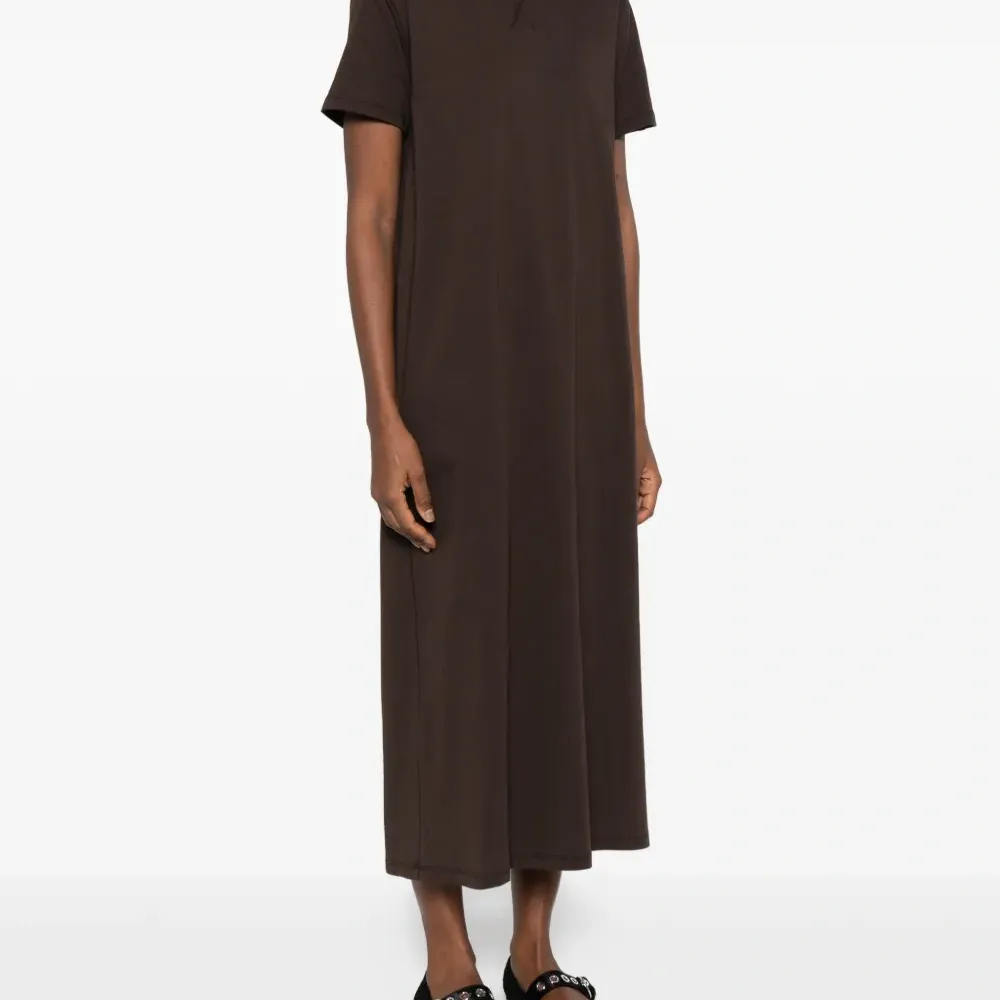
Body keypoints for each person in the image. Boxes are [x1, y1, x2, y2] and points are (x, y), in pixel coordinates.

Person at [322, 1, 660, 998]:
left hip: (574, 383)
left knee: (561, 644)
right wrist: (383, 416)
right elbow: (371, 213)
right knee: (446, 657)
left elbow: (616, 209)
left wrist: (633, 414)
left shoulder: (601, 7)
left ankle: (532, 948)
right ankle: (446, 955)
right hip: (445, 385)